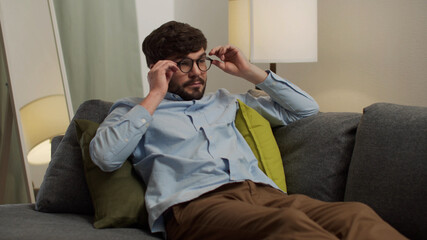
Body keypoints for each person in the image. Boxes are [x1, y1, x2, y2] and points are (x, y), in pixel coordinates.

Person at [90, 21, 406, 240]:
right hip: (197, 207)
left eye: (202, 61)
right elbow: (105, 157)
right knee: (287, 225)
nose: (198, 73)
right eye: (183, 64)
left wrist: (248, 71)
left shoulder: (229, 102)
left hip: (265, 195)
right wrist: (155, 95)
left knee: (354, 215)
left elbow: (306, 109)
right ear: (159, 69)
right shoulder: (135, 111)